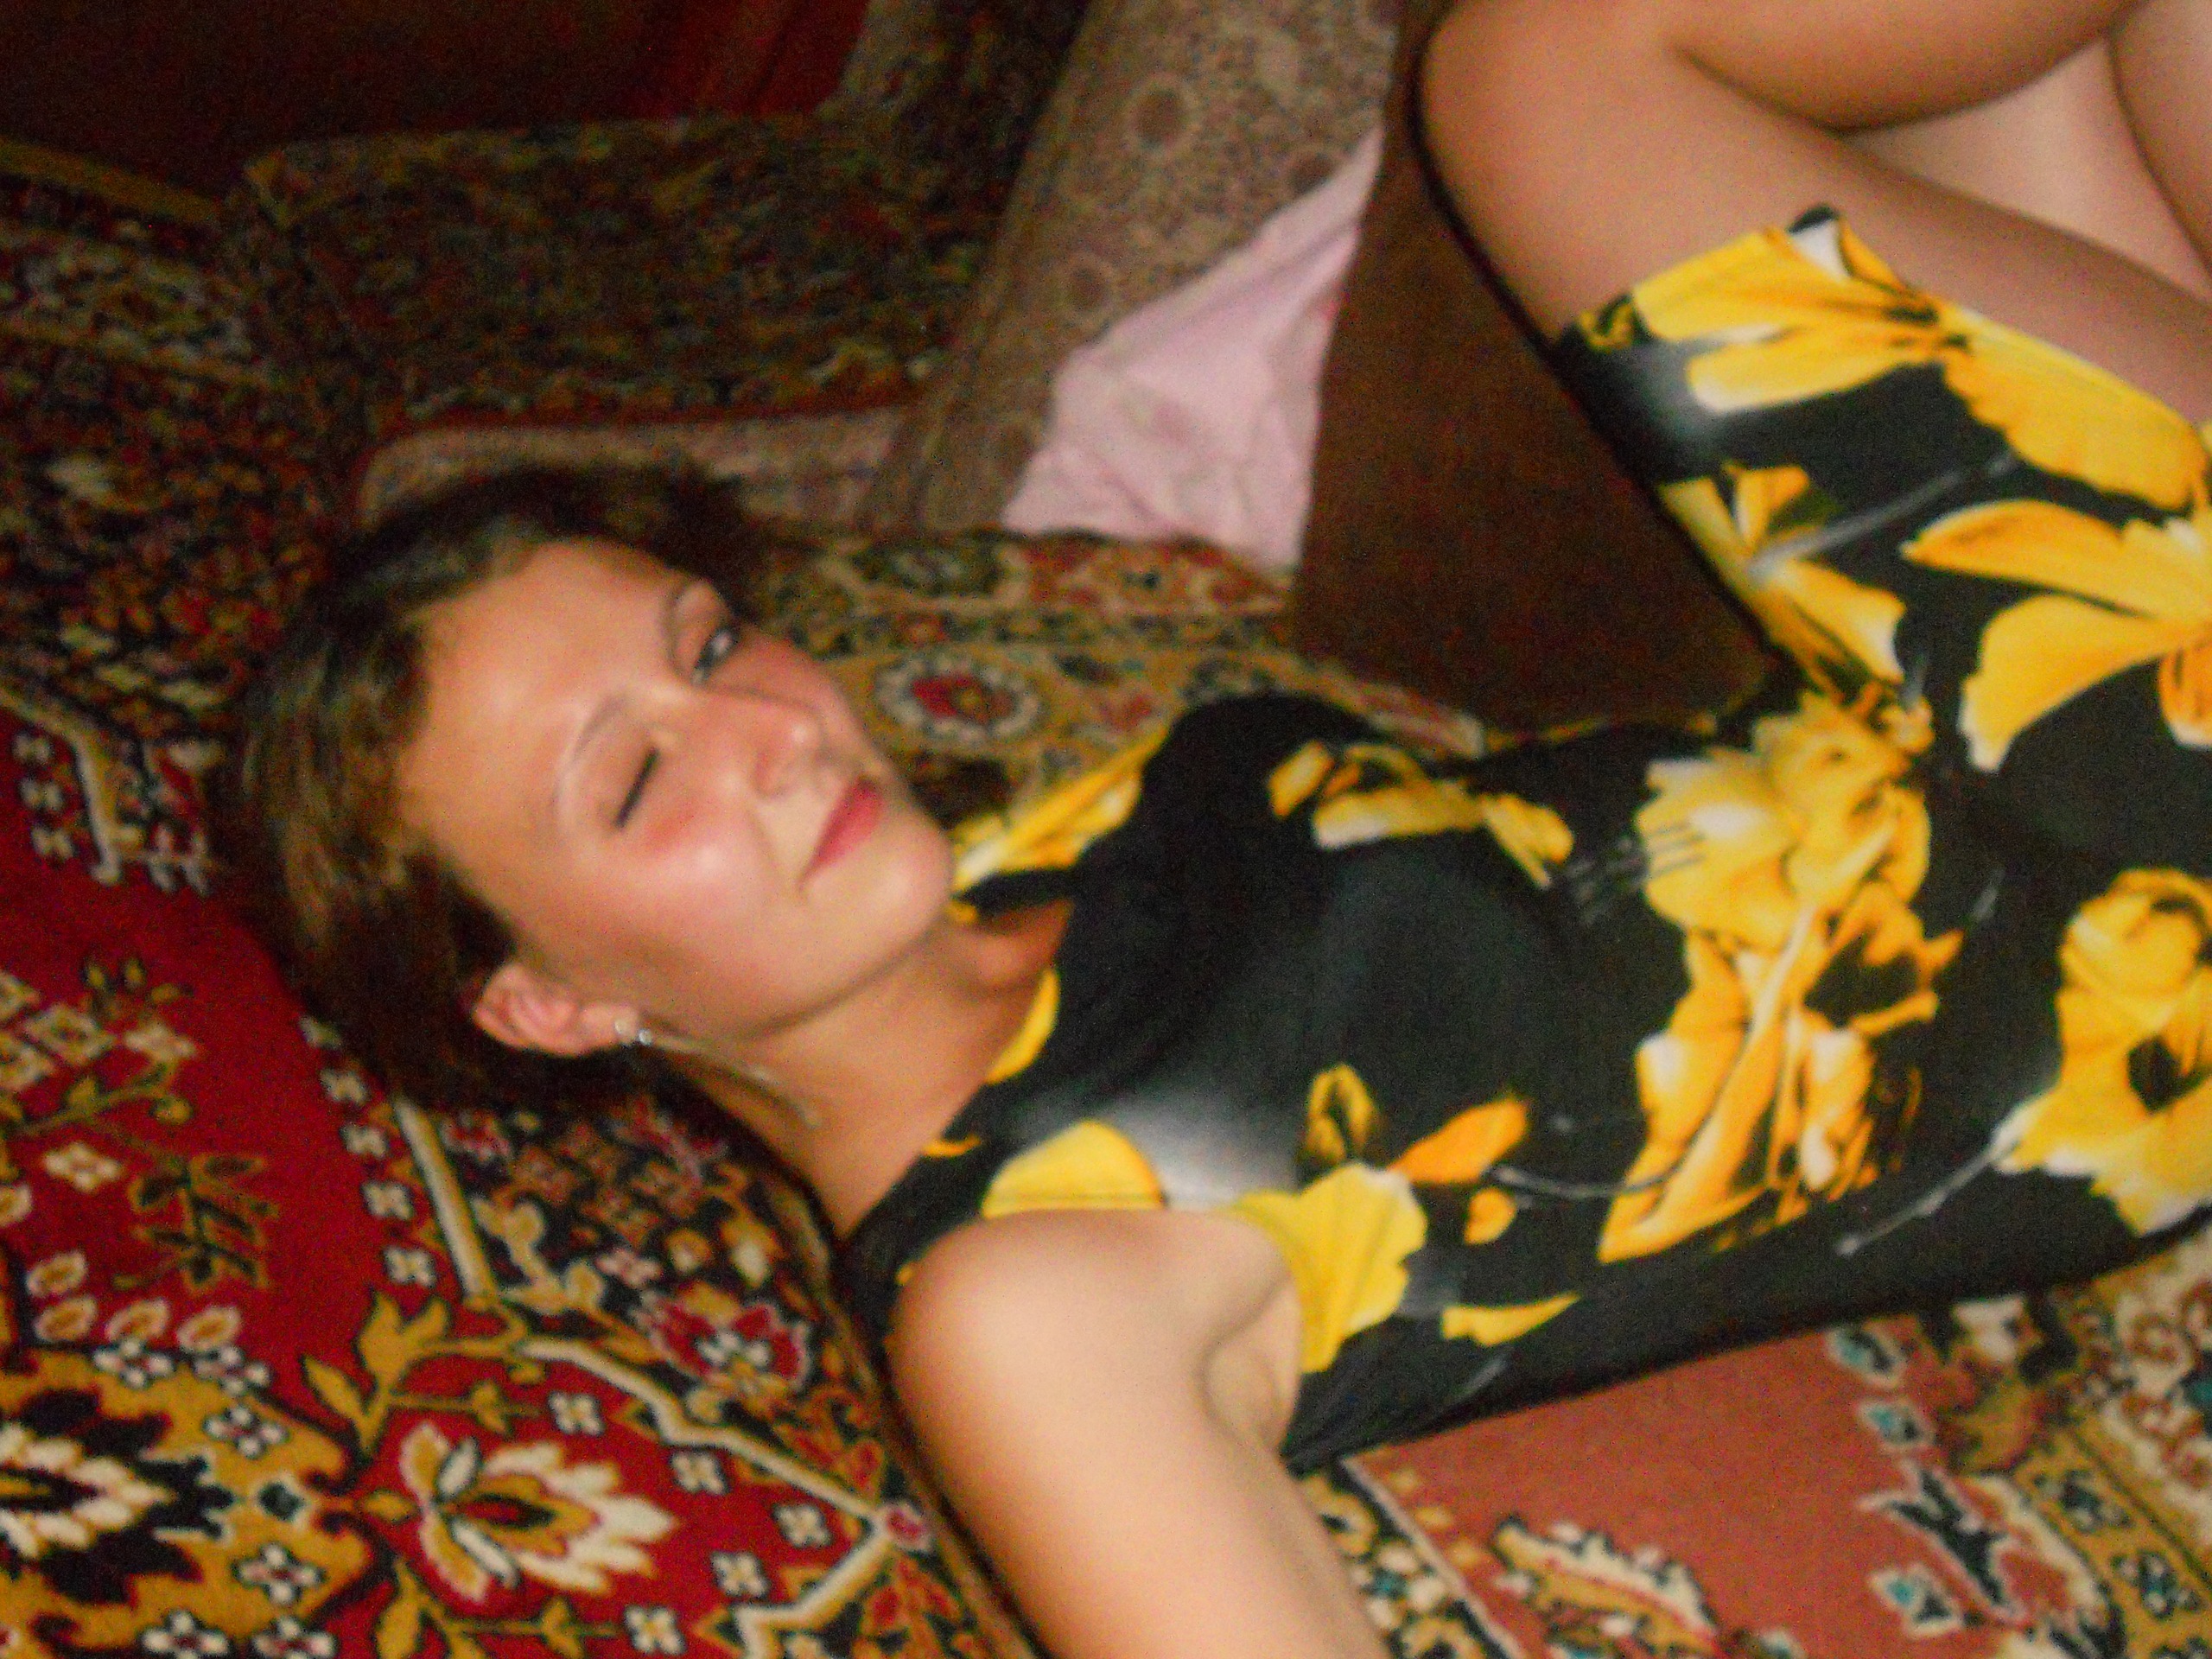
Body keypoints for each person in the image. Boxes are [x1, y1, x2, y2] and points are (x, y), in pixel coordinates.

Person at [228, 1, 2212, 1655]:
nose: (761, 731)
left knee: (2047, 70)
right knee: (1531, 70)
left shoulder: (1029, 855)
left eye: (710, 643)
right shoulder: (1016, 1295)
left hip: (1940, 729)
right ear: (552, 1004)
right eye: (632, 781)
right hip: (2119, 884)